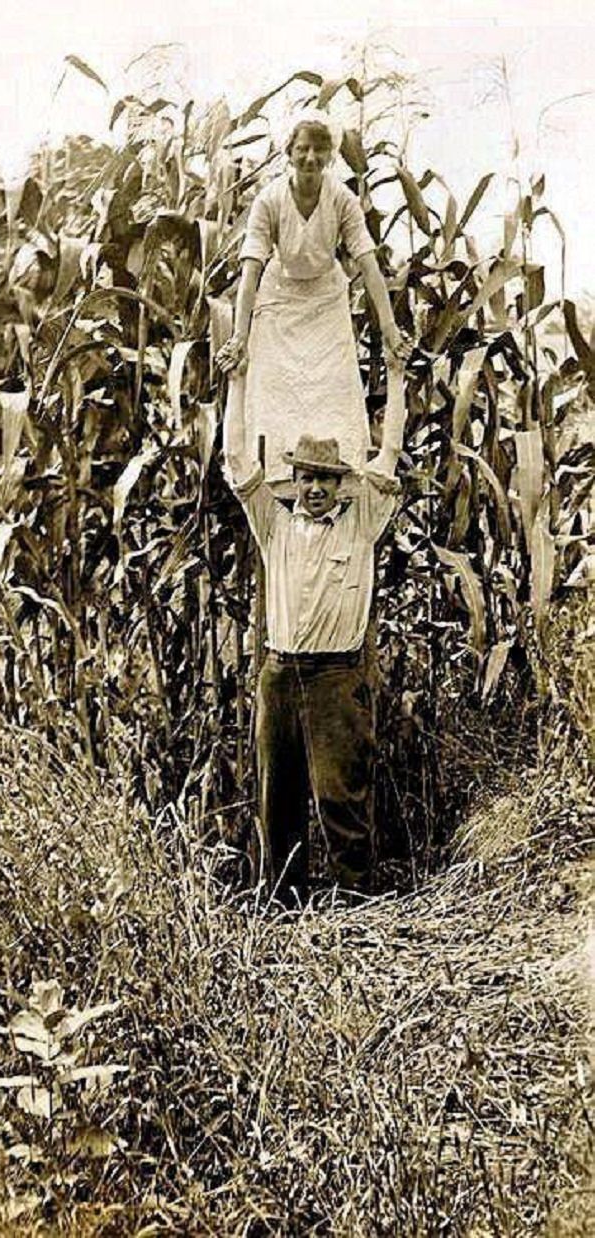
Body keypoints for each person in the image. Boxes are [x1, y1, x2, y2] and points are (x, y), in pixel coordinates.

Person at [222, 358, 408, 908]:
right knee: (277, 800)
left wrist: (396, 380)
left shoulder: (362, 520)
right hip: (279, 677)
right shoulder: (274, 524)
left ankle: (357, 911)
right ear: (296, 482)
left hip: (336, 678)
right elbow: (236, 461)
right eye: (307, 478)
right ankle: (282, 911)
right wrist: (236, 380)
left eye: (326, 479)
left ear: (339, 484)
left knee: (340, 797)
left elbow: (390, 452)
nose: (317, 488)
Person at [216, 108, 409, 487]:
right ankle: (277, 484)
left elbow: (369, 264)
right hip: (279, 301)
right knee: (273, 393)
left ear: (330, 155)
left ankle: (334, 485)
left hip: (326, 301)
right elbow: (251, 268)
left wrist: (389, 328)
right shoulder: (269, 200)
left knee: (333, 393)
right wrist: (239, 335)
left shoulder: (341, 199)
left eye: (319, 150)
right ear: (288, 151)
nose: (310, 158)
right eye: (302, 149)